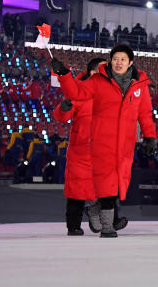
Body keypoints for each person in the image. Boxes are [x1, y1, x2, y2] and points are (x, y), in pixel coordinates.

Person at [51, 45, 157, 238]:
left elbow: (145, 113)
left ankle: (98, 212)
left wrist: (150, 136)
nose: (119, 62)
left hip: (124, 144)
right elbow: (74, 95)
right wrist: (65, 75)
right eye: (115, 58)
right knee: (101, 185)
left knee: (117, 184)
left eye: (123, 59)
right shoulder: (98, 82)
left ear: (130, 62)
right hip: (97, 143)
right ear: (110, 61)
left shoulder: (139, 86)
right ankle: (103, 226)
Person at [52, 57, 123, 235]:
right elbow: (61, 117)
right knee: (77, 190)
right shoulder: (79, 91)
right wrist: (65, 107)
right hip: (81, 150)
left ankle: (112, 221)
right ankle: (73, 225)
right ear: (91, 73)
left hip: (103, 149)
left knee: (109, 188)